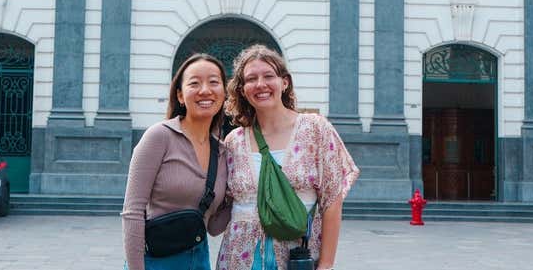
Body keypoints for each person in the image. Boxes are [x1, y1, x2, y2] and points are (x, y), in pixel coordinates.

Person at [217, 45, 360, 270]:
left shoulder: (315, 129)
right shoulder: (234, 141)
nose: (260, 84)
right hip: (238, 256)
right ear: (243, 90)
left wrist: (326, 264)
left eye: (268, 76)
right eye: (251, 79)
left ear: (284, 82)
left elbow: (332, 201)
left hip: (296, 255)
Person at [122, 53, 231, 270]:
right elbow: (132, 211)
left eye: (213, 82)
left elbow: (213, 227)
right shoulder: (159, 136)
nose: (205, 90)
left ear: (224, 93)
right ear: (180, 96)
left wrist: (243, 196)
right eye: (194, 83)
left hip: (198, 260)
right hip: (155, 261)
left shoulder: (222, 150)